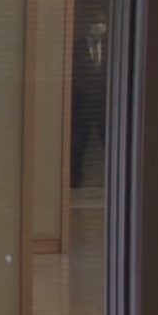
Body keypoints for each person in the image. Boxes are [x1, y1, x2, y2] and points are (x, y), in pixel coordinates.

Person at [71, 10, 108, 188]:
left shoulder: (110, 48)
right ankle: (74, 178)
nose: (100, 27)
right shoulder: (77, 48)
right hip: (81, 106)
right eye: (96, 23)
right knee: (78, 143)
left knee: (108, 142)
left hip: (102, 106)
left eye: (102, 24)